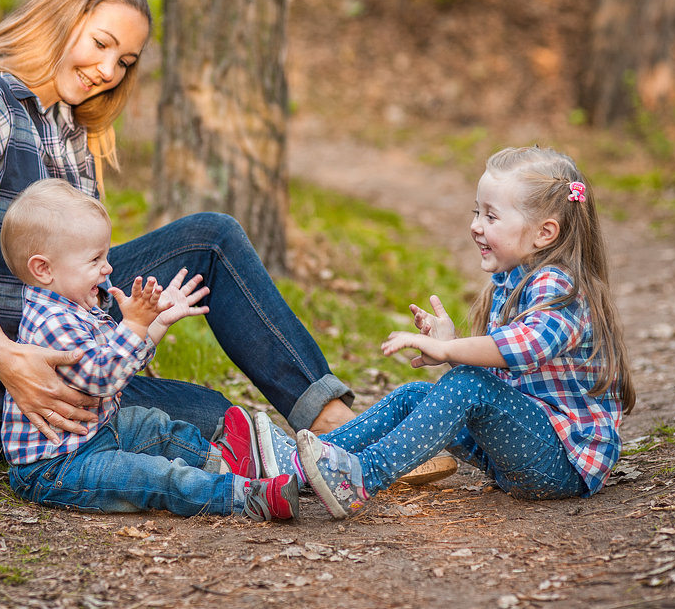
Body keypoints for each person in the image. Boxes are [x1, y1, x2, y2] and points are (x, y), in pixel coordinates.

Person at [0, 0, 355, 458]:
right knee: (216, 418)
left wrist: (138, 322)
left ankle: (332, 422)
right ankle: (320, 453)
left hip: (55, 340)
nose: (108, 71)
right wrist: (8, 360)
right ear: (58, 19)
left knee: (211, 240)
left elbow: (82, 279)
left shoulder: (66, 129)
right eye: (101, 44)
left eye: (125, 60)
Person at [254, 146, 635, 518]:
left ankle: (360, 476)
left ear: (544, 233)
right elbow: (504, 383)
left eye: (491, 216)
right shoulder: (512, 280)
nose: (475, 226)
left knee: (466, 383)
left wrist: (452, 353)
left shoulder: (560, 286)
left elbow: (526, 348)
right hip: (522, 451)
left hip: (561, 465)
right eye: (476, 212)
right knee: (412, 396)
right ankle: (300, 466)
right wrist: (451, 344)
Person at [0, 179, 299, 520]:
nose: (107, 268)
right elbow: (103, 377)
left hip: (96, 432)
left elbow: (123, 359)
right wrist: (136, 324)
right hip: (58, 466)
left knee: (154, 425)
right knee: (153, 477)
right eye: (95, 258)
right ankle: (243, 497)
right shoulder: (51, 321)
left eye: (106, 255)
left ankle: (226, 462)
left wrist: (157, 322)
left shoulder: (75, 304)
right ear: (43, 269)